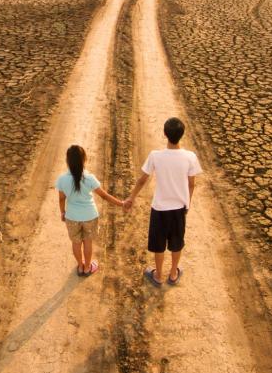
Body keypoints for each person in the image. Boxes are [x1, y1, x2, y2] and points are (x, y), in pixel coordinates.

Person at [124, 118, 202, 287]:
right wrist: (187, 203)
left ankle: (158, 275)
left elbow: (142, 180)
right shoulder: (190, 157)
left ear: (165, 134)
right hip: (179, 208)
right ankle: (173, 273)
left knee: (158, 243)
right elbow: (191, 184)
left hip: (159, 208)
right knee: (176, 242)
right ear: (182, 135)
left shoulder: (155, 156)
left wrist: (131, 197)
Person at [57, 145, 124, 276]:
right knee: (88, 242)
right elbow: (104, 196)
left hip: (72, 217)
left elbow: (61, 199)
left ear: (67, 161)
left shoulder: (62, 179)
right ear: (84, 160)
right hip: (90, 216)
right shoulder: (89, 178)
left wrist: (63, 212)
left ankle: (80, 266)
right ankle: (88, 267)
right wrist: (121, 203)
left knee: (76, 243)